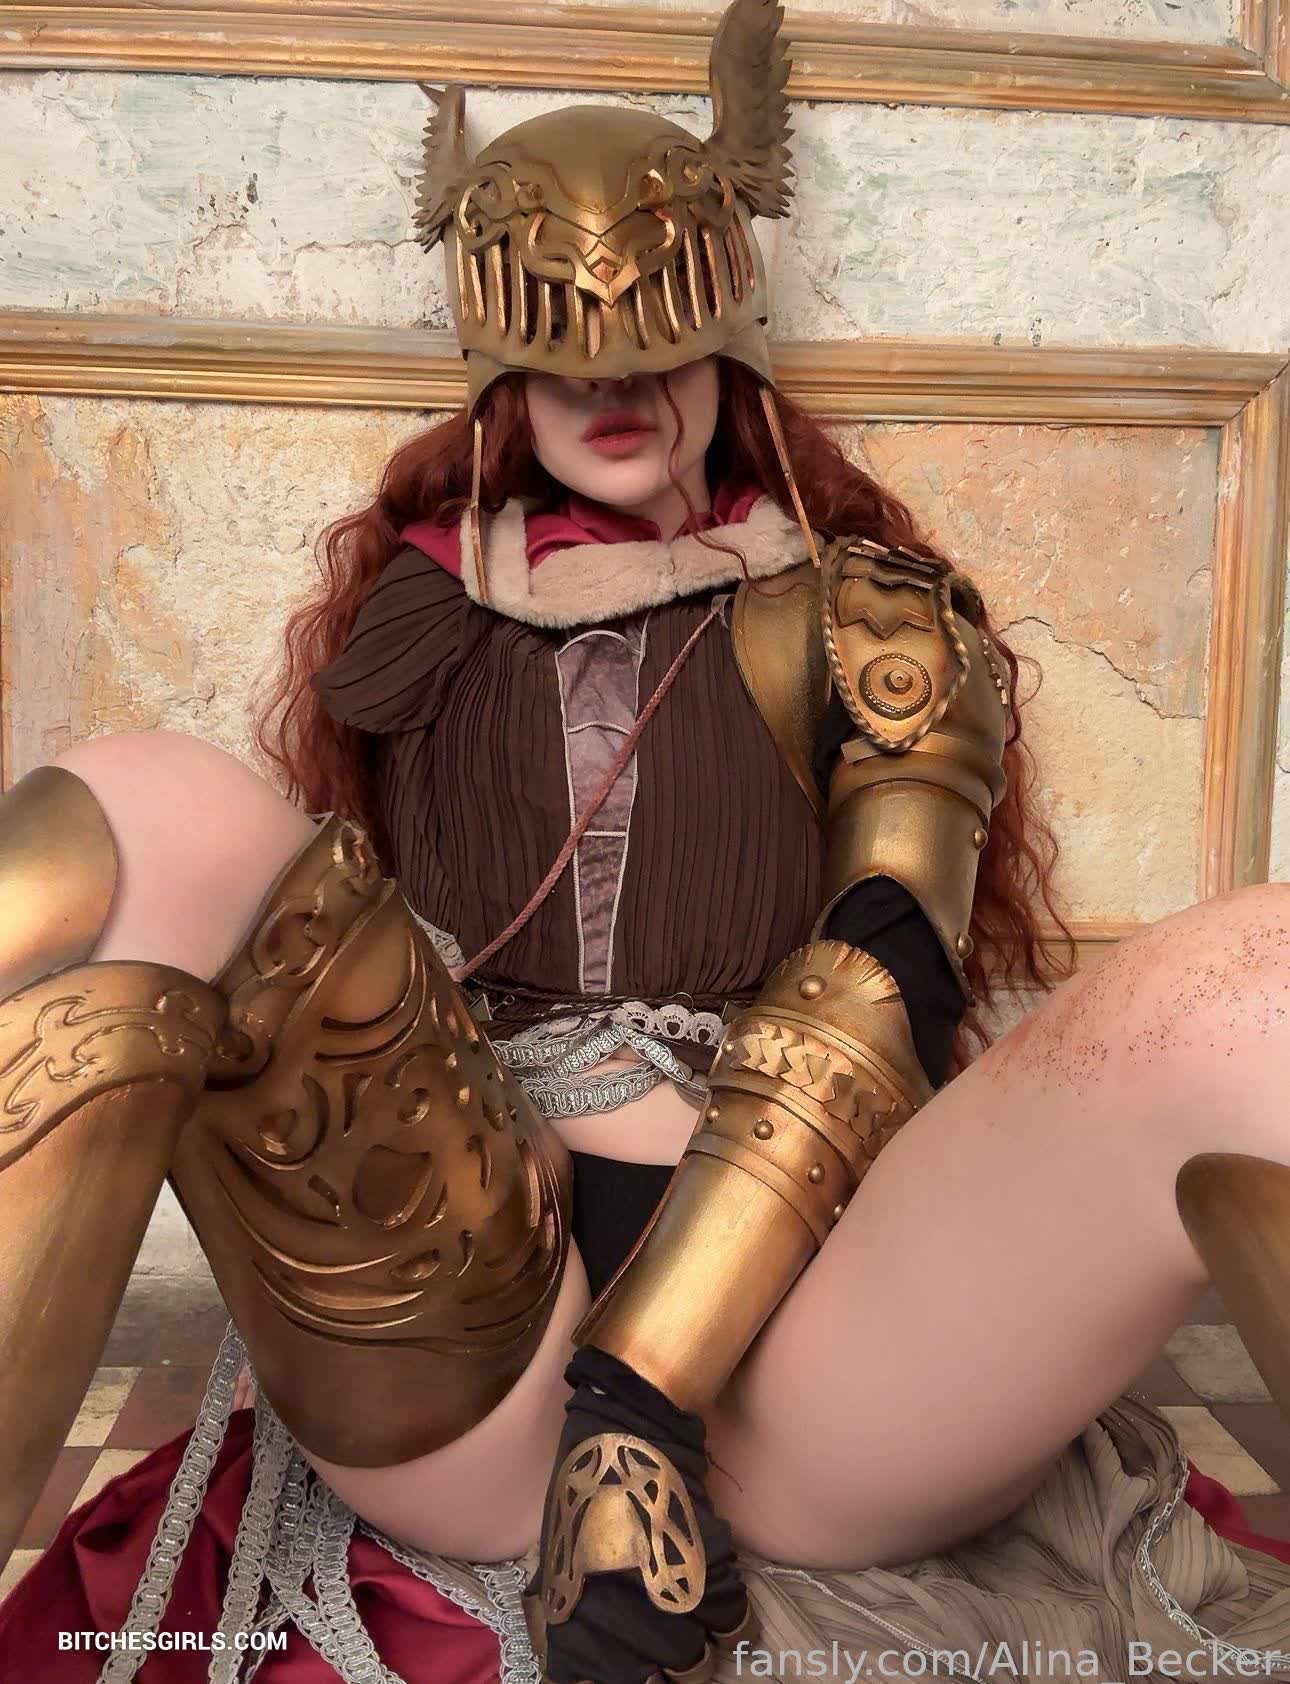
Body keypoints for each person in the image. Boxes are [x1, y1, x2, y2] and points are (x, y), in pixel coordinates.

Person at [2, 1, 1290, 1678]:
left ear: (723, 344)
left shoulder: (867, 618)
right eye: (563, 361)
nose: (610, 393)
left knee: (1258, 983)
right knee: (131, 810)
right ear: (499, 370)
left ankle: (640, 1407)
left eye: (653, 358)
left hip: (811, 1332)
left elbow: (881, 981)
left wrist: (640, 1388)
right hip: (472, 1305)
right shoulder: (423, 611)